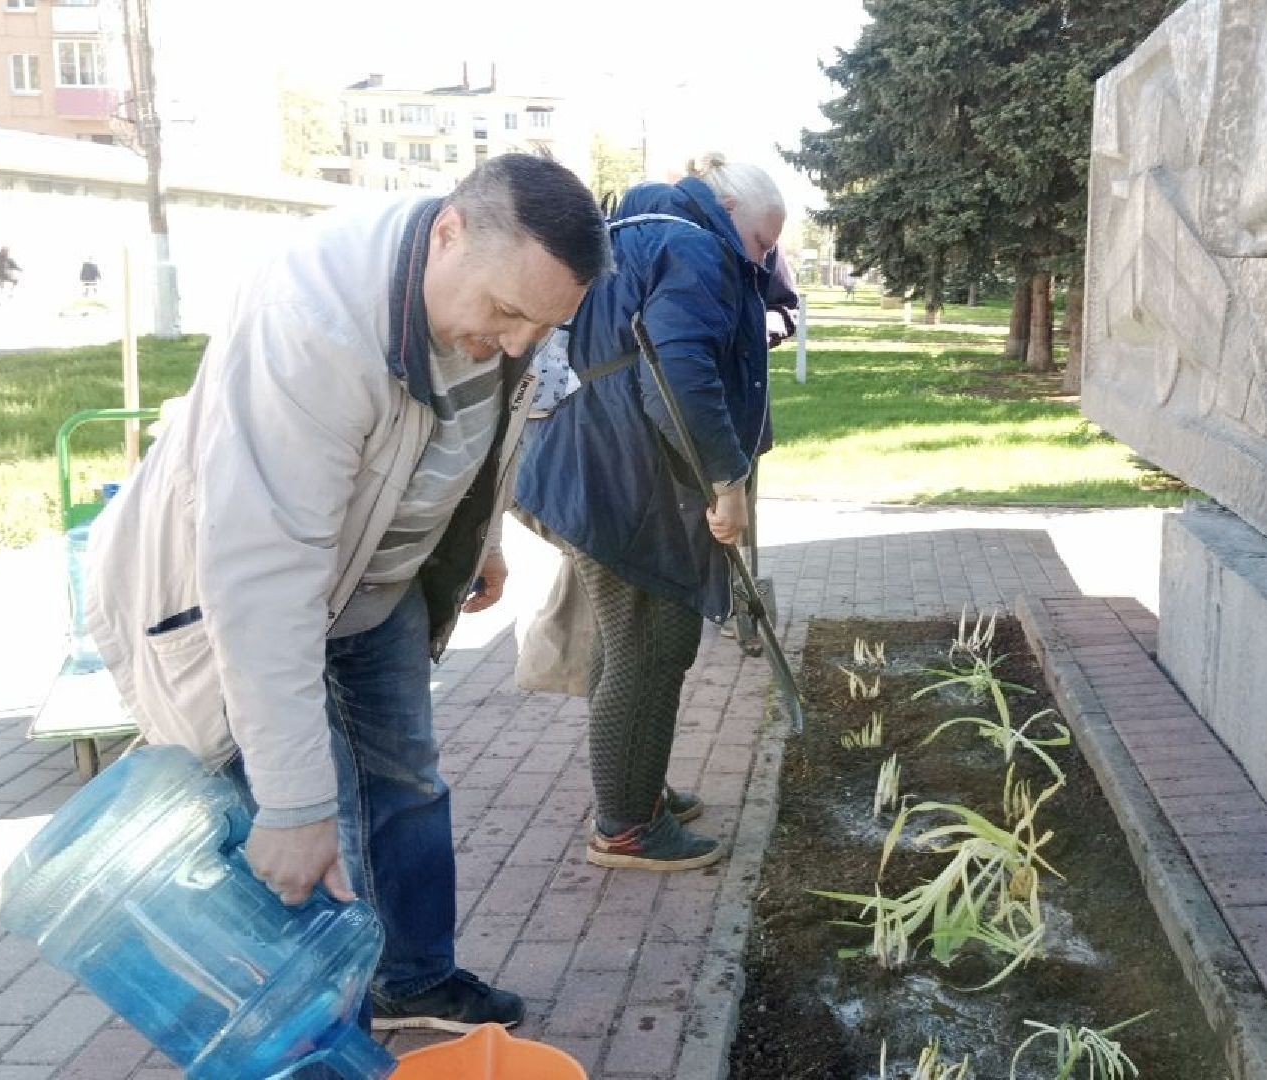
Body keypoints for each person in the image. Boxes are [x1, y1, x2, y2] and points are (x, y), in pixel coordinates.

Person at [85, 153, 610, 1032]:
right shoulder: (313, 322)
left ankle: (412, 978)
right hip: (249, 593)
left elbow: (491, 433)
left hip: (378, 585)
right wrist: (297, 804)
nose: (519, 342)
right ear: (448, 233)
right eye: (509, 315)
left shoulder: (505, 294)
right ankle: (303, 1029)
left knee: (406, 778)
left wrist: (479, 542)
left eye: (543, 326)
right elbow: (264, 570)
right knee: (276, 822)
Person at [515, 151, 784, 871]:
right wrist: (727, 480)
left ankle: (632, 783)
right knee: (654, 642)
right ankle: (628, 825)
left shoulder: (640, 230)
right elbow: (678, 381)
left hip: (589, 465)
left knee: (623, 640)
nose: (765, 260)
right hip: (621, 483)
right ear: (729, 214)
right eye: (763, 243)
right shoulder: (693, 248)